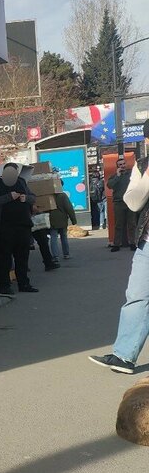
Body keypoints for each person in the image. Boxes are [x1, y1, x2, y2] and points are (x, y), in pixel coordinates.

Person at [91, 120, 149, 373]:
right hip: (148, 245)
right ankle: (124, 356)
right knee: (136, 298)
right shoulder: (143, 167)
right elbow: (133, 202)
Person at [0, 162, 38, 294]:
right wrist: (9, 197)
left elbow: (33, 197)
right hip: (4, 227)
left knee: (22, 257)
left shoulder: (21, 182)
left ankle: (24, 284)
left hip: (23, 225)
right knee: (4, 258)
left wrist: (26, 198)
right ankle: (4, 286)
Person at [107, 158, 137, 251]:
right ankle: (117, 244)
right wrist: (118, 176)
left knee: (132, 224)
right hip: (119, 203)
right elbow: (109, 185)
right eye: (120, 164)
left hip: (130, 202)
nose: (122, 166)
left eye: (124, 164)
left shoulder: (131, 175)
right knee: (118, 224)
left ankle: (133, 243)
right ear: (117, 166)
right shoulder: (114, 176)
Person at [48, 190, 77, 261]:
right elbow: (69, 208)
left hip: (51, 219)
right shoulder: (62, 195)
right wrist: (73, 220)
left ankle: (55, 256)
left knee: (53, 237)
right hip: (62, 219)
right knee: (64, 237)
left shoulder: (48, 195)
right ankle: (66, 254)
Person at [30, 206, 59, 271]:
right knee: (43, 243)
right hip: (34, 223)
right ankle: (48, 262)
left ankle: (48, 262)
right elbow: (34, 208)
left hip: (30, 221)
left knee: (43, 242)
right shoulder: (29, 201)